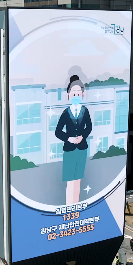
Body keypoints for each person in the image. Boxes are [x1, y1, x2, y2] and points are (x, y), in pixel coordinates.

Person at [55, 75, 93, 205]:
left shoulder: (85, 111)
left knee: (78, 179)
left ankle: (75, 204)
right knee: (70, 179)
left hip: (82, 148)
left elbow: (89, 127)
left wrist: (83, 136)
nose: (76, 95)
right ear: (68, 95)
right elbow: (58, 131)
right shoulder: (66, 113)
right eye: (73, 93)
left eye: (78, 93)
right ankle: (69, 205)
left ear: (82, 94)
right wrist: (69, 139)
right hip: (70, 149)